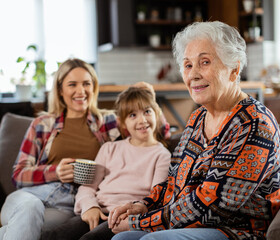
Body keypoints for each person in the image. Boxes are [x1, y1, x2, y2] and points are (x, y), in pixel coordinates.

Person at [108, 21, 280, 240]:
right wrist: (143, 205)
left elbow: (213, 206)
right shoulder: (198, 118)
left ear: (234, 69)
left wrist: (139, 222)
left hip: (238, 230)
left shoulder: (254, 124)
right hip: (190, 224)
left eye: (205, 62)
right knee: (122, 239)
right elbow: (174, 180)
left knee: (150, 239)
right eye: (188, 65)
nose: (193, 74)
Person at [0, 58, 170, 240]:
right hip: (32, 195)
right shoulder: (43, 124)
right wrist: (55, 172)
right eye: (72, 84)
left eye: (86, 83)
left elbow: (154, 131)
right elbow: (18, 174)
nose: (80, 90)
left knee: (17, 231)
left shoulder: (107, 122)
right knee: (29, 209)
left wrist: (148, 97)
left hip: (67, 202)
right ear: (60, 90)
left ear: (94, 87)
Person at [42, 87, 171, 240]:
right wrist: (90, 207)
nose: (142, 120)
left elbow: (156, 197)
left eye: (147, 112)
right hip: (99, 210)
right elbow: (88, 186)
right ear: (123, 123)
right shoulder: (109, 148)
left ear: (156, 114)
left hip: (125, 216)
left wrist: (132, 212)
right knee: (53, 236)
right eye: (132, 115)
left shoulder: (162, 155)